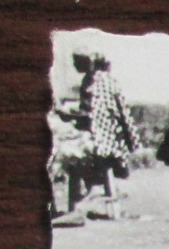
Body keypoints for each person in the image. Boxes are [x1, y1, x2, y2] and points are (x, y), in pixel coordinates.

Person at [53, 51, 137, 218]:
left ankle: (72, 206)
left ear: (89, 61)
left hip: (100, 143)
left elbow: (92, 116)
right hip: (115, 141)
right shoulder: (108, 80)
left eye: (77, 61)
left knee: (58, 152)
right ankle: (80, 204)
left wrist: (66, 113)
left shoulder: (94, 82)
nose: (75, 65)